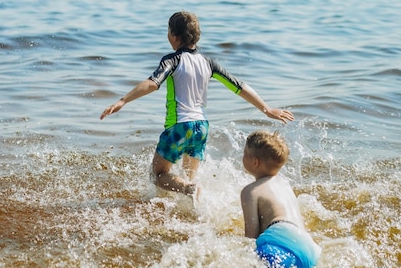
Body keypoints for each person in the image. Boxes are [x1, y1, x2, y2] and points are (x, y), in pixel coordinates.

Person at [100, 11, 294, 195]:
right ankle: (193, 206)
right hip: (201, 127)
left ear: (174, 36)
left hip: (180, 126)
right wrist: (266, 109)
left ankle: (191, 191)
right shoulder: (209, 63)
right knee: (188, 177)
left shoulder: (172, 60)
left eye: (168, 31)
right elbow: (239, 86)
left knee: (158, 175)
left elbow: (152, 84)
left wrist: (123, 100)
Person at [240, 130, 321, 268]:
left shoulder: (250, 191)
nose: (242, 158)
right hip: (309, 249)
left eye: (244, 154)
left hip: (279, 242)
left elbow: (251, 237)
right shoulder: (285, 184)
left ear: (254, 162)